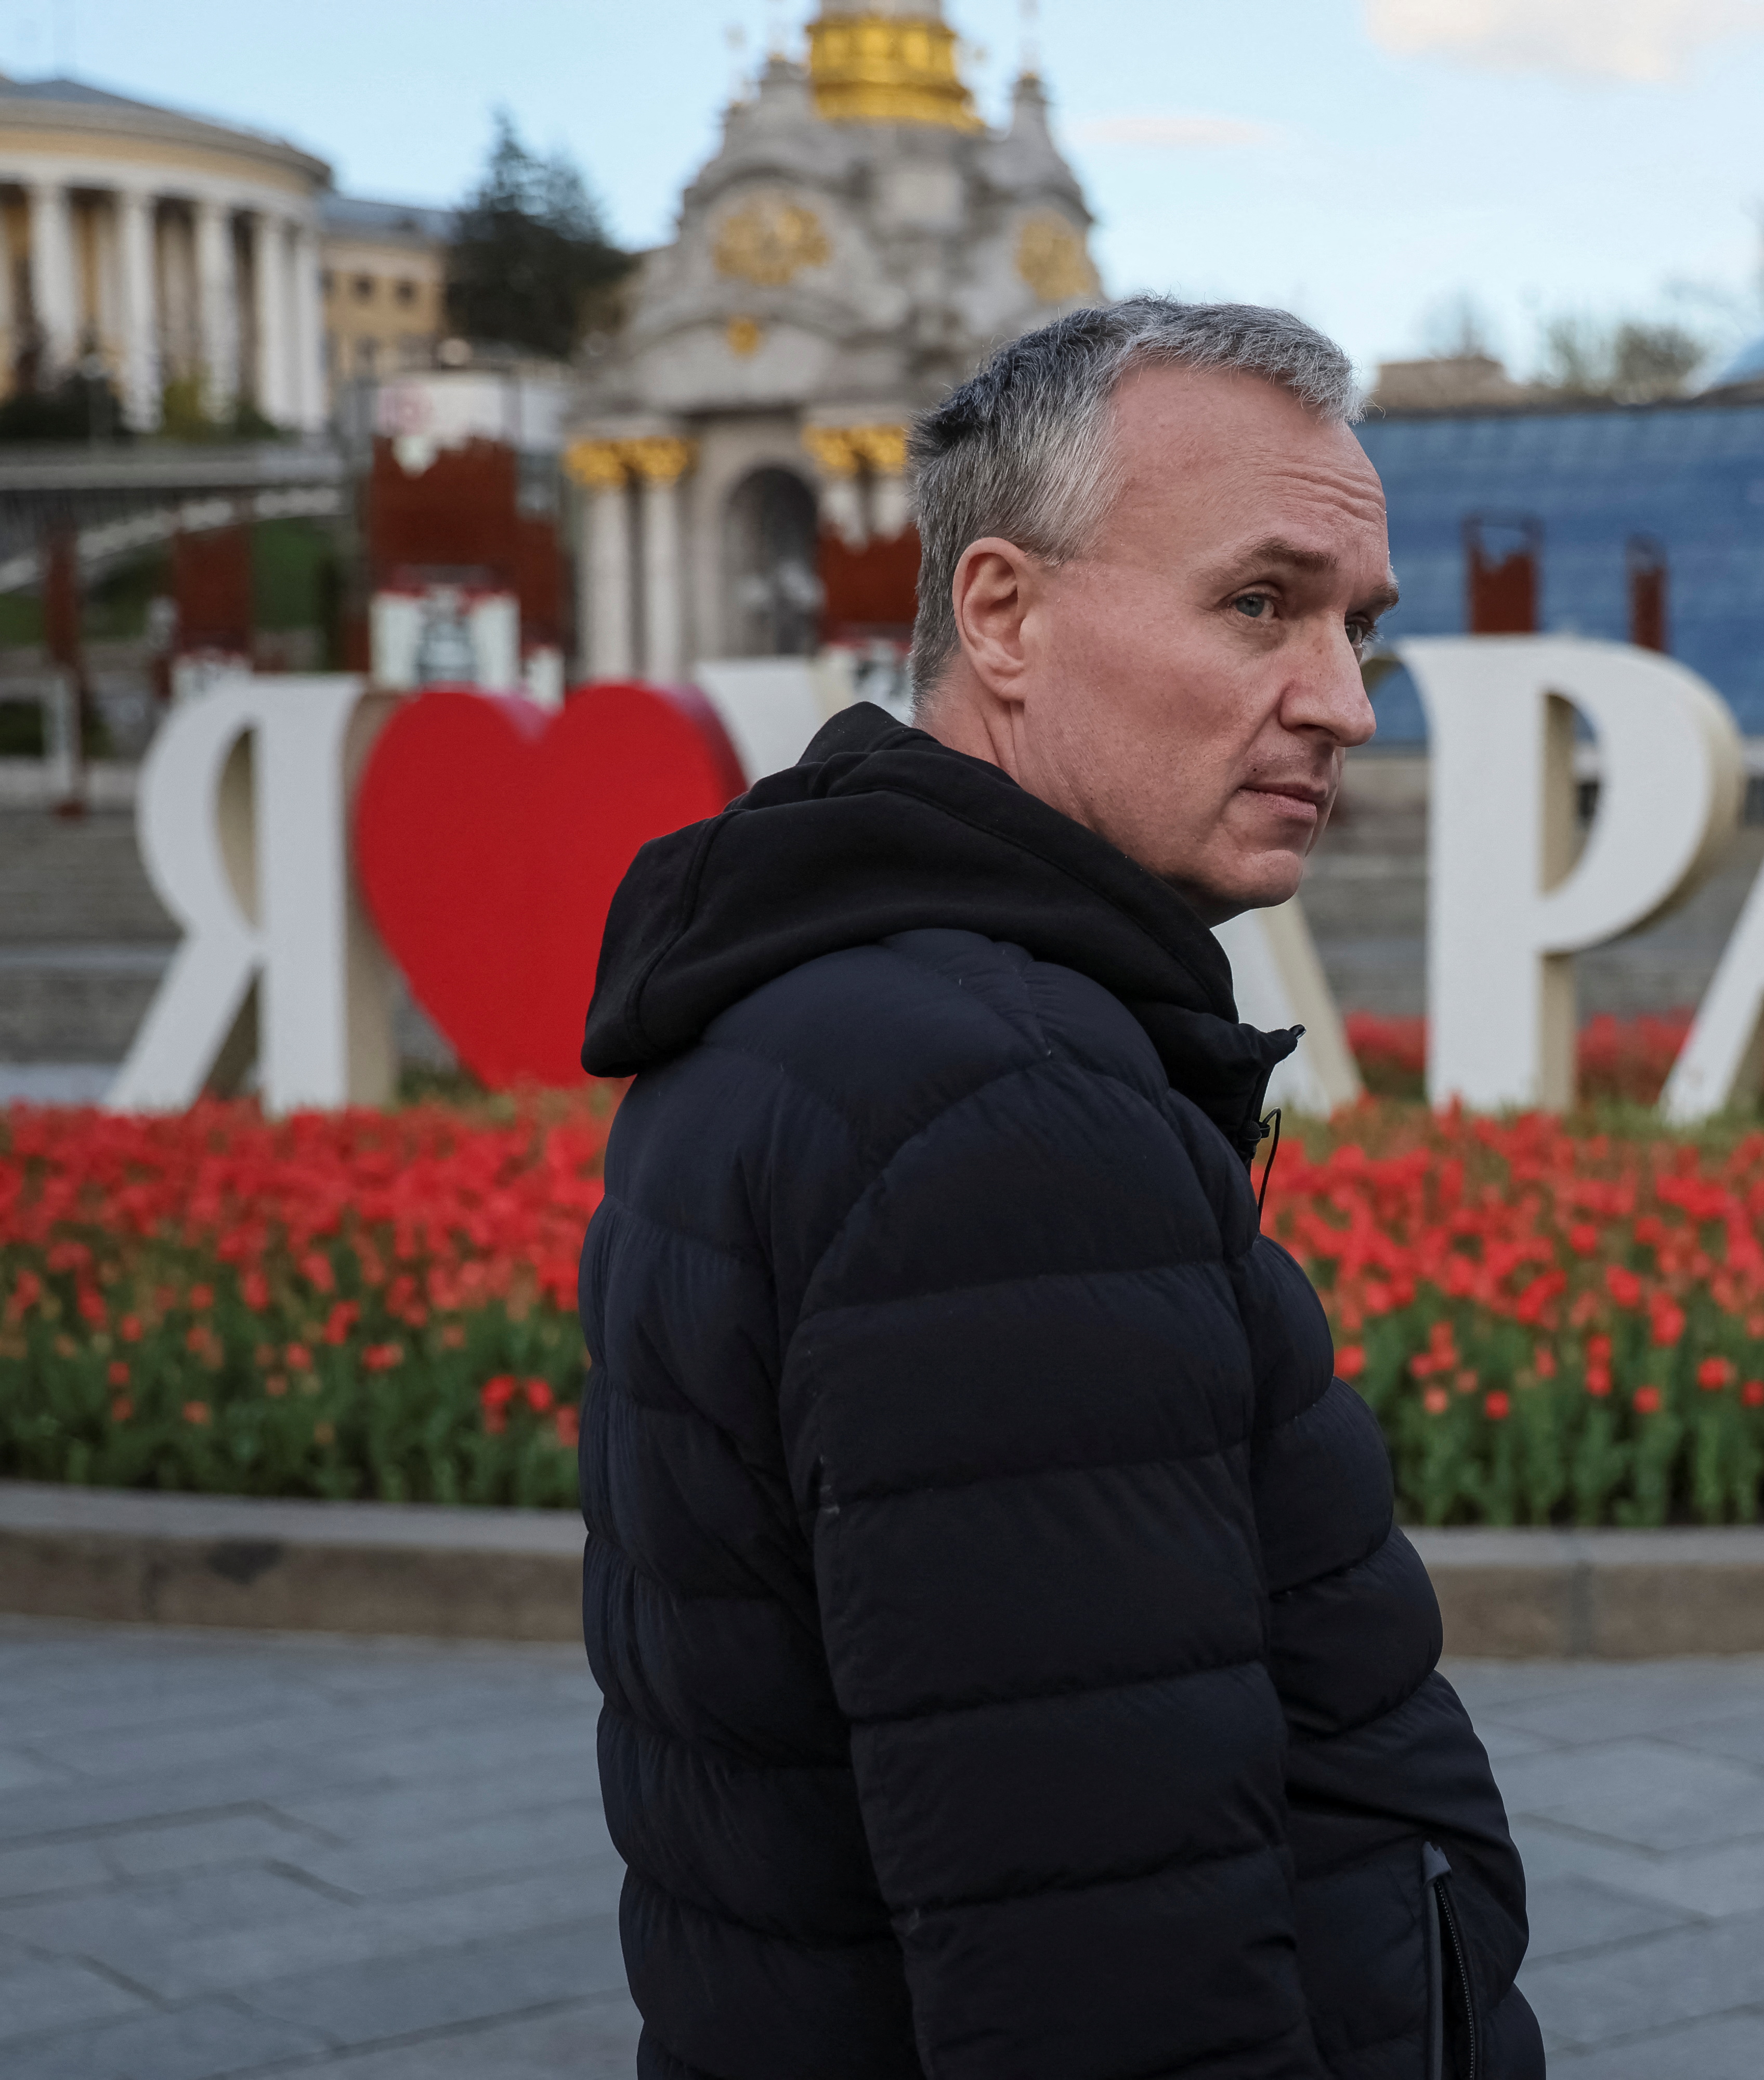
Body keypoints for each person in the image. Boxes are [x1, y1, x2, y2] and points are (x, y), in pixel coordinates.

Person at [577, 298, 1538, 2080]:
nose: (1340, 702)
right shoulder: (1005, 1110)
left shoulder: (817, 999)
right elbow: (1109, 1953)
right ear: (1003, 615)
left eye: (1354, 629)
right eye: (1261, 605)